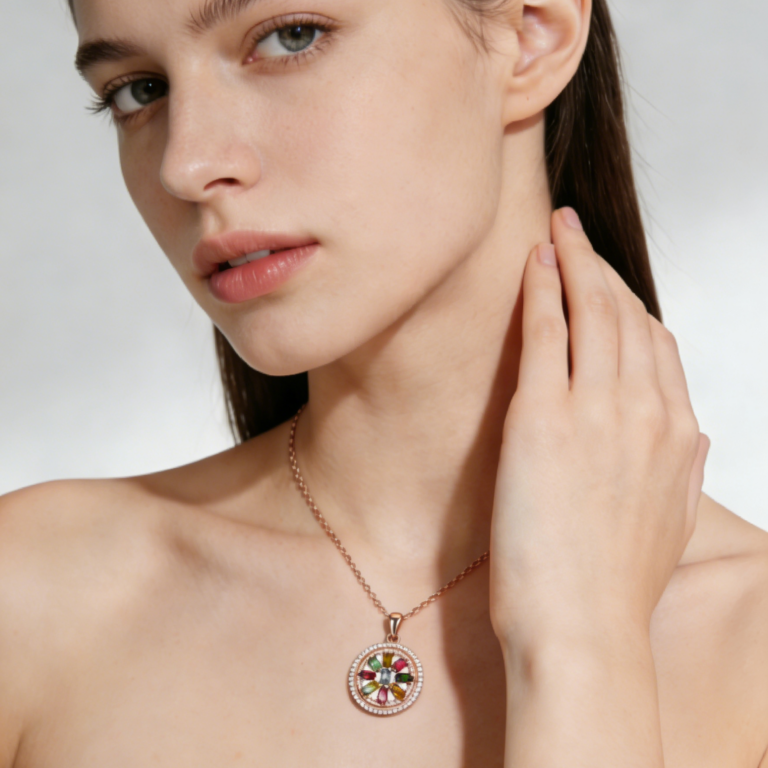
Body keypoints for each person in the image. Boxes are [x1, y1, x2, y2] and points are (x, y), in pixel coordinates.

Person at [1, 0, 767, 764]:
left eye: (290, 38)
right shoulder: (35, 595)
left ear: (532, 33)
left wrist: (580, 644)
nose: (187, 166)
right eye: (139, 90)